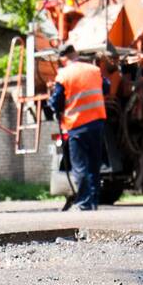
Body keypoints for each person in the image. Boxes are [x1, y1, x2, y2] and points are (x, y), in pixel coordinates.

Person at [49, 43, 108, 211]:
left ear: (63, 58)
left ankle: (84, 202)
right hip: (97, 122)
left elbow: (56, 102)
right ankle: (93, 201)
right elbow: (106, 87)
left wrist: (54, 107)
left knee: (80, 165)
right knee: (94, 164)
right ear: (75, 54)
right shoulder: (93, 70)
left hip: (77, 124)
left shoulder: (64, 74)